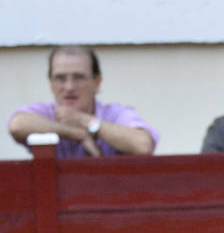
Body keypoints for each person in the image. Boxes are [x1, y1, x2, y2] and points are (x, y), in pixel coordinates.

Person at [6, 45, 158, 157]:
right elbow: (17, 125)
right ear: (51, 83)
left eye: (78, 77)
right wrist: (76, 134)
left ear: (97, 82)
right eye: (60, 78)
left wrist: (85, 121)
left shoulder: (115, 114)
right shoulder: (46, 113)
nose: (69, 87)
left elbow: (143, 145)